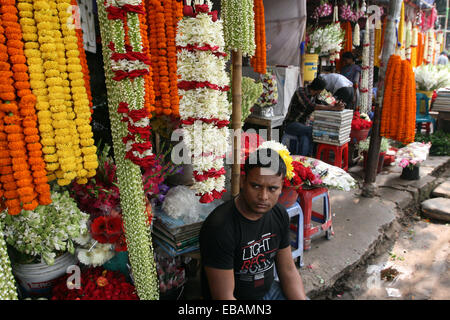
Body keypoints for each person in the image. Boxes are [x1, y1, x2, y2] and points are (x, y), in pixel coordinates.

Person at [199, 148, 308, 300]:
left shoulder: (279, 214)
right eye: (256, 186)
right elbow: (224, 297)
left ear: (281, 187)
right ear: (243, 182)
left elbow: (288, 270)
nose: (263, 196)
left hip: (270, 292)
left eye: (272, 189)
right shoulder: (219, 227)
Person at [281, 77, 345, 156]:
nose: (322, 92)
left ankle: (302, 159)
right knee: (312, 130)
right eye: (321, 90)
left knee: (305, 137)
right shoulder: (300, 92)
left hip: (302, 125)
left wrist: (336, 104)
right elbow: (312, 106)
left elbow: (325, 103)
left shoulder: (315, 95)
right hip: (291, 124)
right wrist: (333, 108)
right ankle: (310, 156)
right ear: (318, 89)